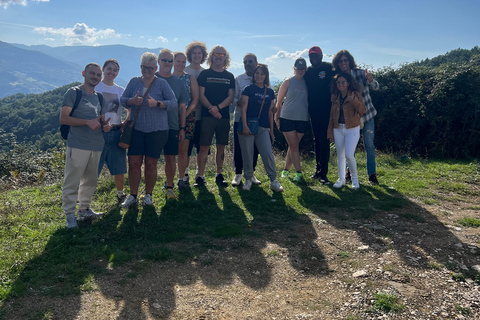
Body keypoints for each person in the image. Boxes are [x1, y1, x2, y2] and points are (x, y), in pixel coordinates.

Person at [119, 52, 177, 208]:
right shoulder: (133, 82)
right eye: (145, 67)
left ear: (155, 68)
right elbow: (123, 100)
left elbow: (173, 103)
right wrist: (132, 101)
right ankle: (133, 195)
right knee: (134, 163)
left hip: (157, 131)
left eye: (151, 68)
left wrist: (157, 103)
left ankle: (148, 195)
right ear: (140, 67)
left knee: (151, 164)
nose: (148, 71)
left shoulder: (162, 84)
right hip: (137, 129)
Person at [60, 63, 111, 228]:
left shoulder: (99, 97)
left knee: (90, 180)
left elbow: (102, 120)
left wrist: (106, 126)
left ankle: (84, 209)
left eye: (98, 75)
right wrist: (86, 122)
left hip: (96, 145)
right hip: (77, 144)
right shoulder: (74, 93)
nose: (95, 77)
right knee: (72, 180)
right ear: (84, 73)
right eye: (92, 74)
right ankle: (69, 215)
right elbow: (64, 118)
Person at [332, 49, 380, 184]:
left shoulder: (360, 74)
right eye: (340, 61)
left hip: (366, 115)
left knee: (369, 145)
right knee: (349, 148)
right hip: (350, 119)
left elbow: (376, 87)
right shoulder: (338, 78)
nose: (343, 63)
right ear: (337, 63)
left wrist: (371, 80)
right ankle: (350, 174)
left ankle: (372, 175)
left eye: (345, 60)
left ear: (350, 61)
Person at [237, 64, 283, 192]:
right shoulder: (248, 89)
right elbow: (243, 109)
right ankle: (248, 178)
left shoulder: (270, 92)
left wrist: (272, 132)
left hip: (263, 128)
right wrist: (245, 126)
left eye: (262, 74)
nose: (259, 76)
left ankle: (273, 180)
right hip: (248, 126)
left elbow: (270, 112)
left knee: (267, 153)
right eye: (257, 73)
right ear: (254, 75)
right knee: (248, 154)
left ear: (266, 76)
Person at [195, 45, 235, 187]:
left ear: (226, 58)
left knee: (221, 147)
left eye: (222, 55)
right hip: (207, 116)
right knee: (204, 146)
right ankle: (200, 176)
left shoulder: (229, 76)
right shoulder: (205, 74)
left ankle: (219, 174)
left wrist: (217, 108)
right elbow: (201, 95)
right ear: (211, 56)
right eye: (216, 54)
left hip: (223, 117)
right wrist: (212, 109)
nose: (219, 57)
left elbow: (231, 96)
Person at [155, 49, 189, 200]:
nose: (167, 63)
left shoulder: (178, 82)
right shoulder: (151, 78)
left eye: (170, 60)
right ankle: (149, 191)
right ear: (158, 61)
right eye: (164, 60)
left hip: (173, 126)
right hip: (151, 126)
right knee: (151, 160)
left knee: (170, 158)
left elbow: (182, 107)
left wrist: (182, 128)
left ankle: (169, 187)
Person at [96, 59, 128, 201]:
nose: (112, 72)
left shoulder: (120, 91)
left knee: (119, 166)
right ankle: (85, 198)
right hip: (97, 133)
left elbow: (130, 109)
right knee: (93, 167)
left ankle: (120, 194)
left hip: (116, 132)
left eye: (115, 70)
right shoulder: (96, 88)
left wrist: (125, 123)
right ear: (103, 69)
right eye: (109, 69)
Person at [327, 72, 366, 189]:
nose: (340, 84)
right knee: (340, 155)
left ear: (348, 83)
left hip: (352, 128)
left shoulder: (355, 94)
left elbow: (363, 110)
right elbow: (331, 115)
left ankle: (355, 180)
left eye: (343, 82)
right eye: (338, 82)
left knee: (349, 155)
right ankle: (341, 179)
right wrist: (330, 131)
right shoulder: (335, 96)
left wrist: (354, 100)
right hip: (338, 128)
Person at [304, 46, 335, 184]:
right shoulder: (308, 71)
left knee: (324, 141)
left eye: (316, 56)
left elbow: (343, 77)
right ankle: (318, 170)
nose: (314, 58)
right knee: (317, 140)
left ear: (321, 56)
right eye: (311, 56)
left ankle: (324, 173)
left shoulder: (329, 68)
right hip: (313, 111)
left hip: (327, 110)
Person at [274, 58, 309, 182]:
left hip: (302, 118)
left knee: (293, 145)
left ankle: (285, 170)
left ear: (305, 69)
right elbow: (279, 102)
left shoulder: (308, 82)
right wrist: (276, 117)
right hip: (287, 117)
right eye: (298, 69)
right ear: (294, 69)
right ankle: (299, 173)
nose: (300, 71)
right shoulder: (288, 82)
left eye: (302, 69)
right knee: (294, 146)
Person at [231, 53, 261, 186]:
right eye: (245, 62)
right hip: (239, 118)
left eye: (250, 61)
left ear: (256, 63)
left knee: (254, 147)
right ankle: (238, 174)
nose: (247, 64)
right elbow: (233, 97)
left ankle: (251, 173)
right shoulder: (239, 79)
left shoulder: (261, 79)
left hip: (256, 119)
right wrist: (238, 103)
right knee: (239, 146)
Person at [173, 51, 199, 190]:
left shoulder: (190, 78)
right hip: (168, 119)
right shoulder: (165, 78)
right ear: (173, 62)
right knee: (170, 152)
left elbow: (195, 100)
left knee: (183, 150)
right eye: (178, 61)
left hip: (187, 117)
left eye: (183, 62)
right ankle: (169, 179)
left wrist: (184, 115)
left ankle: (182, 178)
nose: (181, 64)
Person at [184, 41, 208, 183]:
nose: (197, 55)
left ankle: (200, 175)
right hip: (187, 116)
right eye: (194, 53)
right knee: (186, 147)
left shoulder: (205, 73)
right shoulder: (185, 71)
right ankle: (185, 173)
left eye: (199, 53)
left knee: (202, 147)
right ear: (190, 55)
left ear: (203, 55)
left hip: (203, 116)